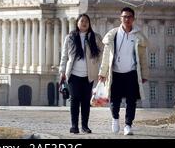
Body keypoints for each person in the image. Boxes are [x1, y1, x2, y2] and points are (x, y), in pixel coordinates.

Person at [98, 7, 149, 136]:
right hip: (115, 72)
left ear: (133, 19)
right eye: (124, 17)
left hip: (132, 72)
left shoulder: (138, 36)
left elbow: (142, 57)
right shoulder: (113, 34)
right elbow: (106, 56)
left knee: (132, 101)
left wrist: (144, 74)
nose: (127, 19)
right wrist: (102, 73)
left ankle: (128, 125)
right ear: (120, 18)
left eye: (129, 17)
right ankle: (115, 119)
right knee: (114, 100)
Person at [59, 14, 104, 134]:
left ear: (89, 24)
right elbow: (64, 56)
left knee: (85, 101)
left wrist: (101, 71)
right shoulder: (70, 37)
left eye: (86, 21)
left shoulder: (95, 38)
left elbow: (101, 55)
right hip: (73, 74)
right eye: (82, 21)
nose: (84, 23)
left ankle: (85, 126)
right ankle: (74, 126)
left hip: (88, 75)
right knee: (74, 100)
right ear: (77, 23)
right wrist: (62, 71)